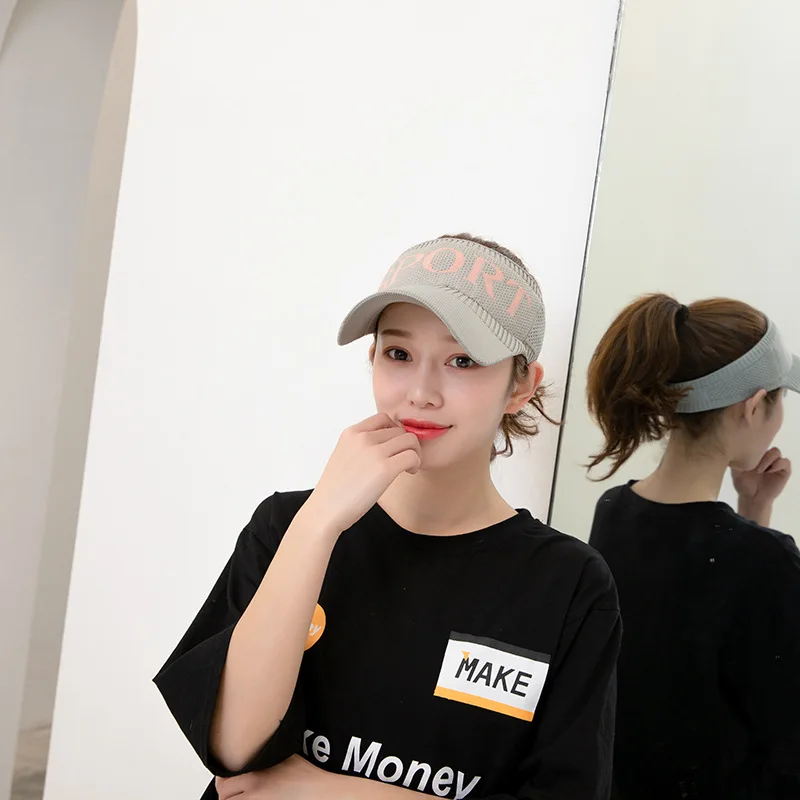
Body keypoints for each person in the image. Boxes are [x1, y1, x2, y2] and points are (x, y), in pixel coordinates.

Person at [153, 233, 622, 800]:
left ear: (520, 385)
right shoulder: (288, 525)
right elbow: (232, 746)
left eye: (463, 360)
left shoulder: (567, 583)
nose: (421, 393)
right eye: (398, 354)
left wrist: (323, 791)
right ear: (372, 358)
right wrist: (320, 523)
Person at [585, 294, 800, 799]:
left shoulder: (613, 511)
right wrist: (756, 525)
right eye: (780, 399)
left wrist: (754, 509)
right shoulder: (769, 562)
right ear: (753, 407)